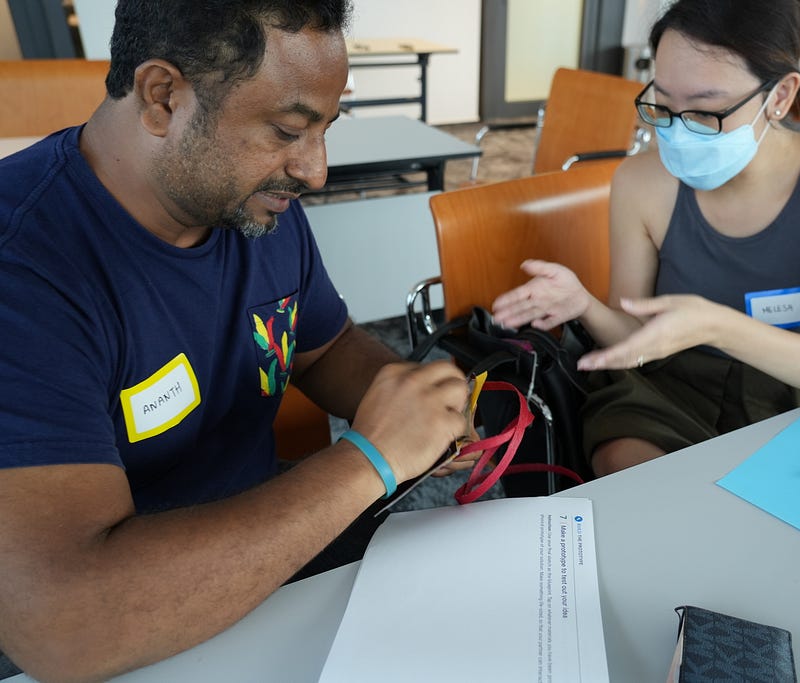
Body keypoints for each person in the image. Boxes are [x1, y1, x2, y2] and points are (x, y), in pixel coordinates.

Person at [0, 1, 474, 681]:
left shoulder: (255, 209)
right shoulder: (29, 268)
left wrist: (408, 397)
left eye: (325, 130)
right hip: (125, 632)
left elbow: (325, 343)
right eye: (287, 131)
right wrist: (372, 457)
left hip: (276, 563)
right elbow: (66, 626)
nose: (314, 171)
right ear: (163, 96)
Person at [492, 0, 800, 476]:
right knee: (632, 475)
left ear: (781, 96)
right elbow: (635, 338)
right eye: (663, 105)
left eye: (707, 112)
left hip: (791, 390)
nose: (678, 132)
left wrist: (717, 326)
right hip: (666, 386)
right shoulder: (642, 181)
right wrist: (583, 305)